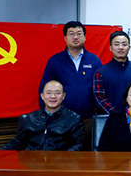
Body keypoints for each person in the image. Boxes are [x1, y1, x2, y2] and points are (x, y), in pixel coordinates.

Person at [39, 21, 102, 150]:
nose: (75, 37)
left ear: (85, 37)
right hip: (62, 119)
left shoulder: (94, 60)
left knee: (87, 153)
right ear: (65, 38)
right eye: (71, 34)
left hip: (88, 118)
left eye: (79, 33)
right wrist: (46, 116)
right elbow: (44, 89)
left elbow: (101, 88)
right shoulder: (55, 61)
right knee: (62, 153)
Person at [3, 81, 84, 151]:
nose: (53, 96)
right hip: (33, 160)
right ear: (42, 96)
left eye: (57, 93)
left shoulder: (73, 119)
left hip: (59, 161)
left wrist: (62, 158)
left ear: (63, 96)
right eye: (49, 93)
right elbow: (17, 142)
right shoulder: (29, 118)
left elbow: (78, 145)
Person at [94, 31, 131, 114]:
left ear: (129, 47)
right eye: (117, 44)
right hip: (111, 118)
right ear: (110, 48)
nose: (120, 47)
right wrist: (115, 114)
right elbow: (99, 97)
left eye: (124, 44)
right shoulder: (101, 72)